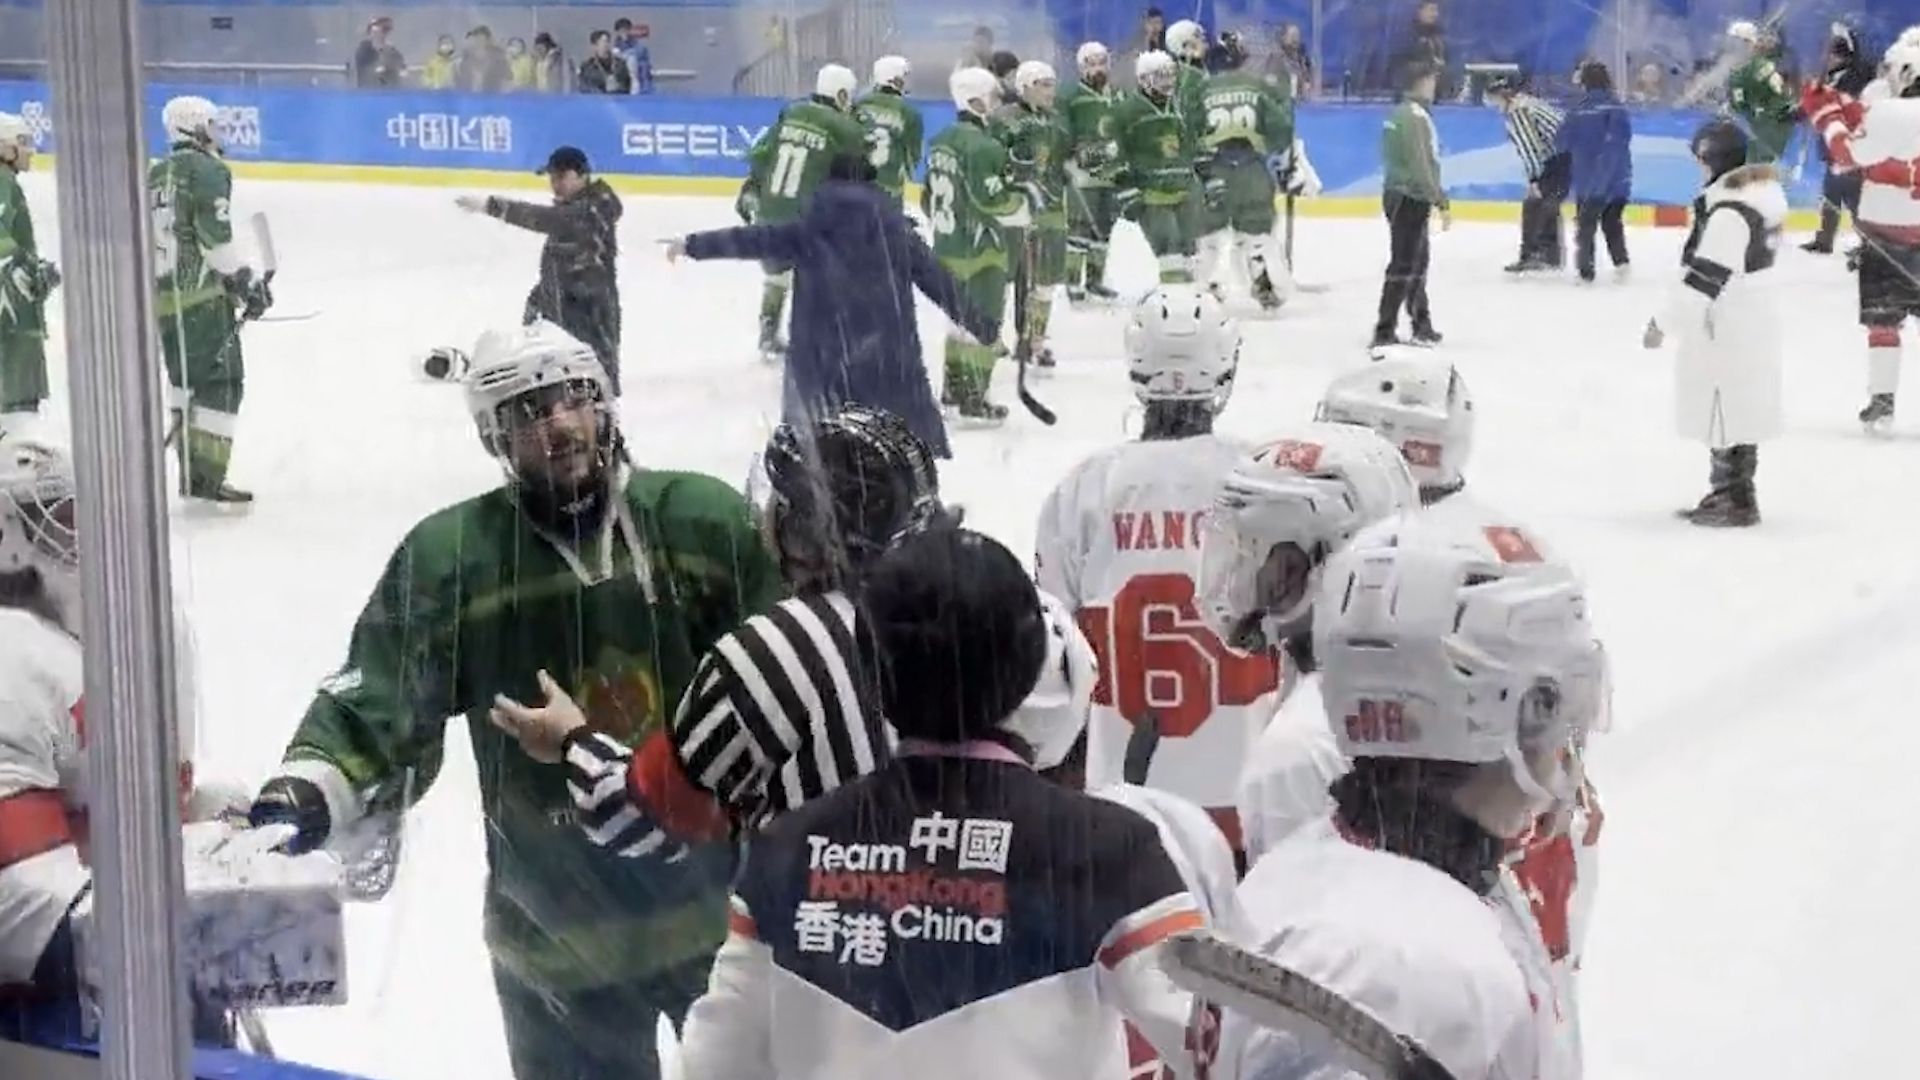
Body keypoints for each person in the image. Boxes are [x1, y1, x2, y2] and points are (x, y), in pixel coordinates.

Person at [245, 322, 780, 1080]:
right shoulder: (456, 557)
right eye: (529, 412)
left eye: (572, 398)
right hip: (556, 942)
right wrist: (309, 786)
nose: (559, 425)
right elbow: (383, 693)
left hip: (718, 922)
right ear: (495, 437)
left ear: (604, 404)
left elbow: (787, 676)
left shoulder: (700, 520)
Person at [676, 526, 1203, 1079]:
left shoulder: (787, 851)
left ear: (871, 673)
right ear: (1031, 665)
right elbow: (1223, 1041)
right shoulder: (1107, 851)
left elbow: (715, 1063)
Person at [1209, 510, 1606, 1080]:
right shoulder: (1409, 964)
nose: (1566, 737)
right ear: (1504, 712)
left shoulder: (1326, 868)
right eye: (1552, 702)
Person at [491, 406, 951, 842]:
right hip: (953, 891)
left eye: (780, 502)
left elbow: (640, 816)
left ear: (803, 532)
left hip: (824, 894)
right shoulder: (959, 619)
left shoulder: (773, 652)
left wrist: (572, 740)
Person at [0, 437, 240, 1046]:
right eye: (65, 518)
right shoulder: (11, 657)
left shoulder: (107, 632)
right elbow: (24, 904)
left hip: (120, 966)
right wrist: (213, 919)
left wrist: (212, 828)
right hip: (53, 1013)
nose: (91, 538)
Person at [1035, 284, 1280, 859]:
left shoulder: (1084, 490)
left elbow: (1051, 645)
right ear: (1225, 367)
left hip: (1123, 807)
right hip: (1245, 806)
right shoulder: (1264, 479)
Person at [1188, 423, 1417, 862]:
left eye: (1256, 552)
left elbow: (1293, 902)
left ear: (1323, 566)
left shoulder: (1298, 748)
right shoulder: (1409, 687)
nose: (1237, 576)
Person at [672, 152, 994, 458]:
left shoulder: (809, 230)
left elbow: (752, 240)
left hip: (822, 366)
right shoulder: (897, 233)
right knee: (894, 461)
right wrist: (983, 325)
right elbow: (940, 282)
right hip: (886, 364)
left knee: (818, 459)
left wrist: (692, 245)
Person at [1641, 120, 1784, 528]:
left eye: (1701, 161)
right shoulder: (1755, 200)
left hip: (1728, 323)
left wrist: (1662, 323)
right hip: (1748, 317)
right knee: (1735, 406)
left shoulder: (1729, 214)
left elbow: (1705, 279)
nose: (1698, 169)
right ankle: (1729, 492)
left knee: (1724, 408)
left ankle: (1734, 498)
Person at [151, 95, 273, 505]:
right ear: (195, 127)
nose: (218, 132)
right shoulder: (208, 170)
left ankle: (191, 474)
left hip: (164, 299)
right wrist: (244, 283)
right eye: (212, 124)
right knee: (221, 384)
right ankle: (205, 478)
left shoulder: (155, 173)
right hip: (201, 298)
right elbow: (214, 241)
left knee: (185, 383)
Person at [1803, 33, 1920, 431]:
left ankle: (1882, 402)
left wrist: (1827, 115)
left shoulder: (1890, 113)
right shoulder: (1886, 112)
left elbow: (1848, 154)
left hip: (1886, 233)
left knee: (1883, 322)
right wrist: (1843, 104)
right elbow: (1868, 116)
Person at [455, 146, 625, 394]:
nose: (555, 184)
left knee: (596, 385)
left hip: (591, 312)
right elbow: (559, 265)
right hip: (563, 309)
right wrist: (537, 303)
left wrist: (494, 206)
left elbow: (546, 218)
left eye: (561, 177)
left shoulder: (591, 211)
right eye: (552, 177)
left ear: (582, 175)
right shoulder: (576, 208)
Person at [734, 64, 867, 364]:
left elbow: (761, 156)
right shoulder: (844, 128)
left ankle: (768, 334)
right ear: (841, 94)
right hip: (806, 216)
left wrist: (751, 190)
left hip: (769, 211)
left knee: (778, 276)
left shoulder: (791, 113)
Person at [925, 67, 1029, 424]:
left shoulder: (941, 140)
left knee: (958, 324)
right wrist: (1022, 206)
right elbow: (991, 199)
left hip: (947, 246)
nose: (996, 105)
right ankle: (974, 398)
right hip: (981, 249)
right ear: (975, 100)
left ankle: (952, 392)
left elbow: (927, 198)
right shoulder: (984, 146)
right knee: (985, 322)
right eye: (992, 98)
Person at [1195, 31, 1311, 310]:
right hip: (1251, 168)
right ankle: (1264, 283)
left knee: (1209, 235)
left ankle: (1205, 287)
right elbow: (1281, 130)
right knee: (1256, 234)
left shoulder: (1200, 90)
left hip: (1213, 170)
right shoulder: (1256, 87)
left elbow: (1188, 130)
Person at [993, 60, 1071, 366]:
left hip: (1051, 208)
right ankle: (990, 335)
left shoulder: (1058, 122)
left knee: (1045, 280)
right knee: (1004, 276)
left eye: (1052, 84)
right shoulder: (1004, 119)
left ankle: (1034, 339)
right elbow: (994, 161)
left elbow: (1065, 158)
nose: (1051, 91)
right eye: (1043, 85)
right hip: (1015, 209)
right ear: (1025, 87)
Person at [1374, 64, 1448, 352]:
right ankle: (1386, 328)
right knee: (1407, 264)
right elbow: (1421, 162)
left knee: (1414, 261)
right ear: (1420, 83)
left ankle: (1420, 323)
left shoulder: (1398, 115)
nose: (1434, 86)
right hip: (1411, 197)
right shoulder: (1416, 117)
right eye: (1431, 80)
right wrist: (1438, 197)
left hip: (1397, 193)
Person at [1114, 51, 1200, 283]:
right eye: (1161, 76)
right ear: (1144, 79)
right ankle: (1174, 296)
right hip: (1152, 194)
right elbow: (1117, 154)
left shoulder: (1179, 107)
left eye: (1171, 75)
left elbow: (1191, 144)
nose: (1168, 81)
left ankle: (1192, 296)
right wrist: (1127, 191)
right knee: (1169, 248)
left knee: (1191, 249)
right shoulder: (1127, 111)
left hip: (1184, 190)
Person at [0, 113, 57, 437]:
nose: (31, 150)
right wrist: (25, 270)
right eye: (22, 142)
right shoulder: (2, 181)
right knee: (18, 405)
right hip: (11, 316)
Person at [1804, 20, 1878, 255]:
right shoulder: (1833, 77)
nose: (1828, 59)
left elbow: (1840, 107)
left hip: (1849, 147)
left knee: (1854, 200)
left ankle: (1871, 246)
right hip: (1832, 148)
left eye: (1833, 54)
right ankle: (1824, 241)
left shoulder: (1856, 77)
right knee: (1831, 198)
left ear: (1844, 56)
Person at [1556, 61, 1632, 283]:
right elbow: (1621, 140)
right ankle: (1621, 263)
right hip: (1617, 177)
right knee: (1612, 221)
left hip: (1587, 178)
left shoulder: (1578, 109)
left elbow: (1562, 141)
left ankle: (1586, 270)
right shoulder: (1616, 107)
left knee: (1586, 225)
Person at [1060, 42, 1123, 305]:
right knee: (1079, 228)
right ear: (1081, 68)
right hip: (1082, 173)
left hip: (1112, 172)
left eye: (1101, 63)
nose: (1097, 69)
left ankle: (1095, 280)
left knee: (1104, 228)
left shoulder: (1119, 95)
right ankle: (1072, 281)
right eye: (1091, 64)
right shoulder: (1071, 96)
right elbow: (1063, 130)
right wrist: (1069, 158)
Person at [1488, 75, 1568, 273]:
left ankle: (1534, 254)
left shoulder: (1518, 110)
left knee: (1535, 204)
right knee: (1547, 203)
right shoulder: (1529, 102)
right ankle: (1550, 255)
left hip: (1558, 158)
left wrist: (1534, 179)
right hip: (1567, 154)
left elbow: (1530, 148)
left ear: (1501, 95)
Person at [856, 55, 924, 208]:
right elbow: (912, 157)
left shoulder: (860, 104)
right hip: (889, 188)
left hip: (858, 185)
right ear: (894, 80)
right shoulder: (909, 113)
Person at [1728, 20, 1797, 164]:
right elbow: (1739, 103)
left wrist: (1766, 114)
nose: (1733, 47)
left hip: (1769, 128)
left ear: (1748, 44)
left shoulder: (1761, 68)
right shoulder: (1740, 70)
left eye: (1737, 43)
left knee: (1760, 165)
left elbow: (1783, 97)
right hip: (1758, 128)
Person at [352, 16, 404, 88]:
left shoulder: (392, 50)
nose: (384, 32)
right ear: (371, 31)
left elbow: (401, 67)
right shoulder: (364, 48)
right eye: (382, 28)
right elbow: (366, 70)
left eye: (387, 29)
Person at [457, 25, 511, 93]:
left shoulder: (498, 58)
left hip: (492, 95)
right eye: (476, 39)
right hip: (469, 96)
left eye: (481, 39)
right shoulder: (466, 58)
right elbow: (459, 81)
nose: (478, 42)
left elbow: (507, 78)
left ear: (488, 40)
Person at [578, 30, 633, 94]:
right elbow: (584, 88)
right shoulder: (587, 67)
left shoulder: (620, 64)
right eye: (602, 43)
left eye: (607, 42)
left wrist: (618, 87)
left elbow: (627, 85)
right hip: (597, 98)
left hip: (617, 97)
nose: (606, 45)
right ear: (595, 46)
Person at [1264, 23, 1312, 97]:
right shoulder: (1275, 57)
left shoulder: (1302, 58)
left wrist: (1305, 84)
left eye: (1297, 36)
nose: (1295, 40)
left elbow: (1308, 80)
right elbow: (1270, 81)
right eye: (1292, 36)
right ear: (1283, 38)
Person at [613, 18, 654, 95]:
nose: (624, 33)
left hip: (642, 79)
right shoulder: (616, 45)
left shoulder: (637, 44)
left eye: (626, 30)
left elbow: (640, 54)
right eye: (621, 31)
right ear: (617, 32)